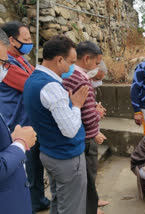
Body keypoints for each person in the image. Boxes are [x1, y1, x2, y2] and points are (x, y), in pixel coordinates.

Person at [23, 35, 89, 214]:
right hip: (66, 156)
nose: (73, 67)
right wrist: (76, 106)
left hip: (49, 151)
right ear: (59, 60)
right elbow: (69, 130)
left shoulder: (32, 80)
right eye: (71, 62)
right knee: (72, 207)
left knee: (59, 201)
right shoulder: (51, 87)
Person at [0, 21, 50, 213]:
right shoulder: (9, 64)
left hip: (29, 126)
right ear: (12, 40)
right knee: (24, 170)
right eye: (26, 39)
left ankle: (38, 200)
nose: (30, 43)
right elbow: (31, 85)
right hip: (16, 127)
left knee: (35, 167)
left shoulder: (22, 60)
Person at [62, 41, 107, 214]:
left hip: (76, 134)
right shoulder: (81, 79)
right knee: (88, 174)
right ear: (86, 59)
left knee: (85, 176)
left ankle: (92, 201)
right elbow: (87, 118)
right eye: (96, 63)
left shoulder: (68, 75)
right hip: (85, 138)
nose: (96, 67)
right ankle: (90, 207)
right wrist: (98, 114)